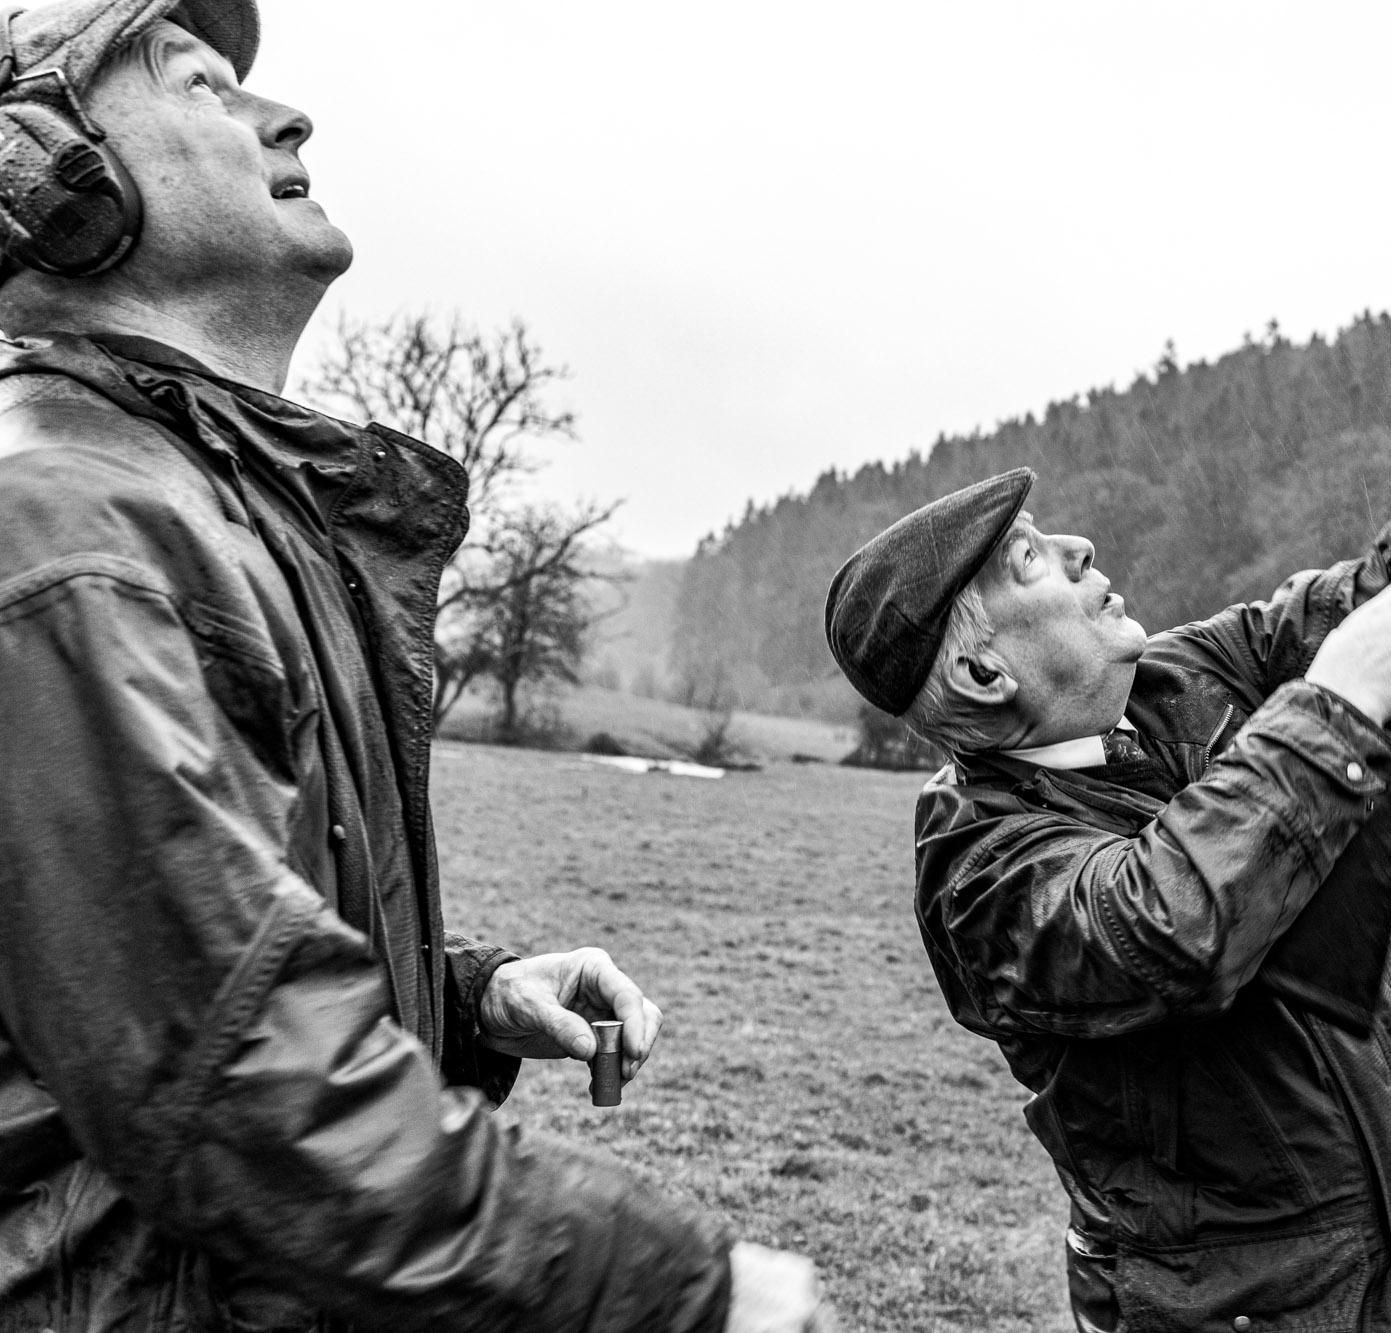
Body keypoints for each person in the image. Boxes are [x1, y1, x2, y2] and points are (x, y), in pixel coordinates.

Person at [0, 1, 827, 1329]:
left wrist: (471, 995)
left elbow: (175, 956)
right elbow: (239, 1079)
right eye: (200, 84)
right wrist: (683, 1292)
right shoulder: (66, 540)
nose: (286, 113)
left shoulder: (211, 513)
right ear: (47, 173)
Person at [822, 222, 1391, 1329]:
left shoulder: (1180, 682)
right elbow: (1161, 926)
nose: (1077, 548)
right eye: (1030, 559)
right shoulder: (982, 875)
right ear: (982, 672)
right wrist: (1338, 704)